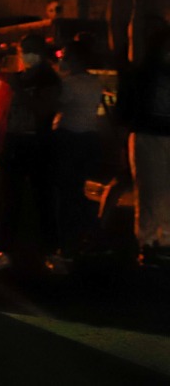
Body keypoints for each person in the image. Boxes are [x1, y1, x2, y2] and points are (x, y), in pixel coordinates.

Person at [0, 33, 61, 272]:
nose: (25, 55)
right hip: (13, 145)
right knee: (10, 200)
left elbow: (42, 111)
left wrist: (17, 89)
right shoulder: (16, 78)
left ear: (40, 52)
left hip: (38, 145)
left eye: (30, 49)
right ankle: (5, 251)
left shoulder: (49, 80)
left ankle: (51, 251)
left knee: (43, 199)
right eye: (22, 49)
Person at [48, 40, 106, 273]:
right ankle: (91, 235)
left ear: (76, 60)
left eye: (67, 56)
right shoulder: (95, 82)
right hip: (89, 140)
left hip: (69, 139)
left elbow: (54, 105)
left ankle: (67, 246)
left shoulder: (70, 84)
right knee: (79, 189)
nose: (64, 60)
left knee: (66, 192)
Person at [115, 25, 170, 268]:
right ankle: (148, 243)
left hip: (153, 133)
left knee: (160, 190)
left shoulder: (148, 71)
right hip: (148, 135)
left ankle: (163, 241)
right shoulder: (145, 72)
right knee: (150, 190)